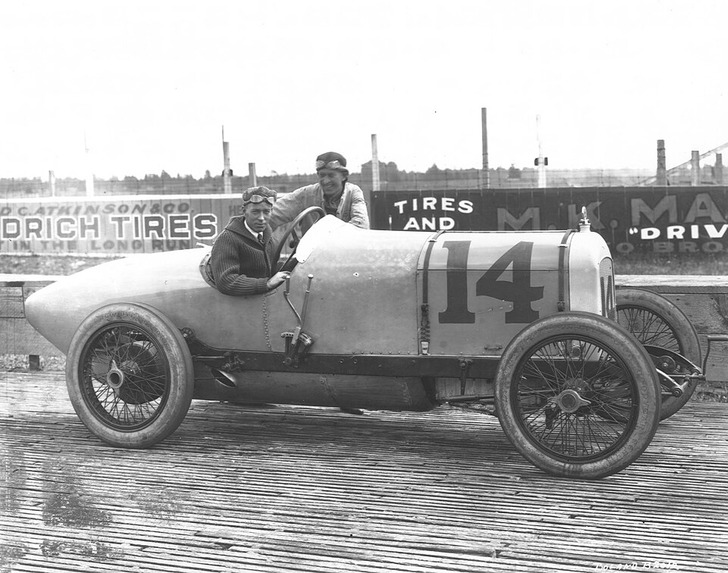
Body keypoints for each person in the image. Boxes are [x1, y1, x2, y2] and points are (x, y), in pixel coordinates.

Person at [208, 186, 290, 296]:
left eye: (266, 212)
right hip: (241, 304)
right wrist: (267, 284)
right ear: (244, 211)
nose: (261, 218)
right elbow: (226, 281)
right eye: (255, 212)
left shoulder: (270, 240)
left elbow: (273, 268)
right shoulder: (228, 239)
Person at [269, 151, 370, 233]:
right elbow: (274, 213)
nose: (325, 181)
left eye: (331, 175)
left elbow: (361, 226)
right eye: (322, 175)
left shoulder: (353, 193)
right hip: (310, 251)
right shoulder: (306, 194)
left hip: (344, 250)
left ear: (344, 176)